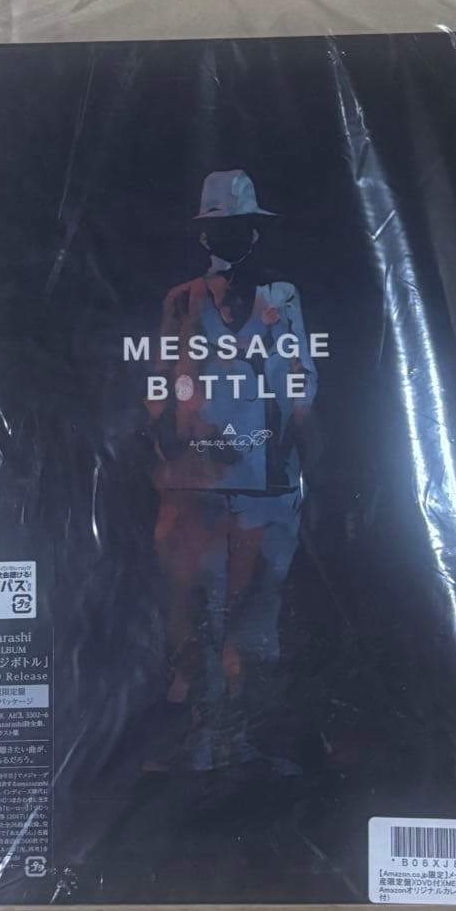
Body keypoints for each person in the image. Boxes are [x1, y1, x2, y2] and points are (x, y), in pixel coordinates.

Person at [145, 169, 318, 772]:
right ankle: (201, 741)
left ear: (254, 232)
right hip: (199, 483)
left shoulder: (282, 297)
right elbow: (159, 381)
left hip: (266, 481)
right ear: (204, 235)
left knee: (255, 615)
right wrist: (175, 434)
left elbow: (303, 377)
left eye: (240, 226)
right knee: (198, 611)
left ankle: (246, 745)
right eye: (221, 227)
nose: (231, 237)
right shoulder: (181, 300)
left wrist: (292, 431)